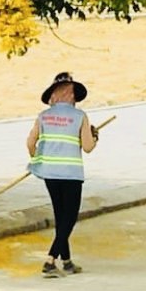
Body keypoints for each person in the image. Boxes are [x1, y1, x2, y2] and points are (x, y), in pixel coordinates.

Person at [26, 71, 98, 278]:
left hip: (50, 173)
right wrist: (94, 136)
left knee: (61, 217)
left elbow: (30, 142)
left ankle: (66, 262)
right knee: (69, 218)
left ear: (54, 94)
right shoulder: (80, 116)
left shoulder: (43, 116)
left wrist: (36, 158)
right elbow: (88, 147)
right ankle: (50, 260)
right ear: (72, 94)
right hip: (71, 174)